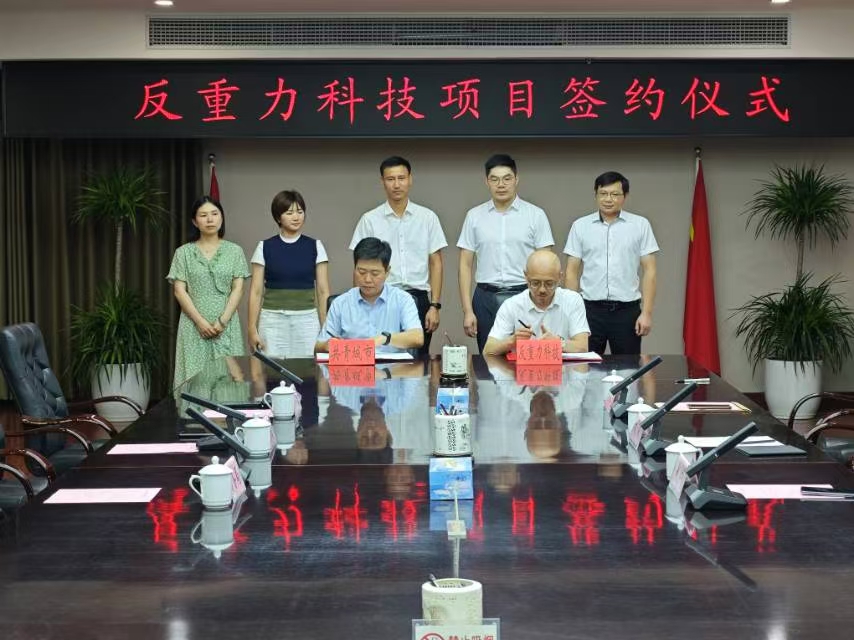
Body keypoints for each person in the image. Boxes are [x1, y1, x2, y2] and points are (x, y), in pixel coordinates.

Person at [350, 156, 447, 357]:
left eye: (401, 178)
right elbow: (360, 266)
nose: (396, 184)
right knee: (380, 355)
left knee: (418, 360)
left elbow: (436, 263)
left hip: (418, 298)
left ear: (410, 179)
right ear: (382, 182)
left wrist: (434, 306)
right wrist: (358, 306)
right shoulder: (369, 220)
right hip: (380, 299)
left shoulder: (427, 218)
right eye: (390, 179)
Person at [457, 154, 554, 353]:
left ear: (516, 179)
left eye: (507, 178)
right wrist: (468, 311)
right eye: (495, 179)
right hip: (485, 297)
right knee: (489, 357)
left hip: (525, 295)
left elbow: (547, 265)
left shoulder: (535, 215)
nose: (501, 185)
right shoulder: (474, 216)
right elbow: (465, 265)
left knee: (528, 356)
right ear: (487, 181)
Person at [563, 171, 659, 355]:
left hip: (626, 311)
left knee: (628, 368)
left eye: (615, 194)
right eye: (603, 193)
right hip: (589, 310)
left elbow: (650, 271)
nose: (608, 199)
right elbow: (571, 272)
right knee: (584, 365)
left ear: (625, 196)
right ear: (596, 194)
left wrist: (646, 313)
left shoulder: (640, 225)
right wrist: (571, 314)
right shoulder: (580, 226)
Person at [167, 196, 250, 390]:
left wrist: (222, 322)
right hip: (193, 325)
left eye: (214, 214)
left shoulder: (235, 251)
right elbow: (179, 291)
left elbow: (238, 288)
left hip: (226, 324)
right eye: (203, 215)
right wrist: (200, 322)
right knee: (194, 379)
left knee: (231, 380)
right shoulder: (183, 253)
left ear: (222, 218)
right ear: (195, 221)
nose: (210, 219)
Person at [247, 189, 330, 358]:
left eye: (300, 212)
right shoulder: (264, 247)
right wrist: (251, 328)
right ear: (278, 217)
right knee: (271, 369)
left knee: (308, 370)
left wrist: (326, 329)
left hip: (307, 320)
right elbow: (255, 292)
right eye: (289, 213)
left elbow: (323, 292)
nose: (296, 217)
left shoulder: (315, 246)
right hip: (272, 321)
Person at [315, 237, 424, 354]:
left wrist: (385, 338)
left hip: (391, 365)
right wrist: (327, 345)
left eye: (375, 273)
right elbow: (319, 345)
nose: (367, 279)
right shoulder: (341, 303)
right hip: (353, 364)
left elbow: (417, 338)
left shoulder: (402, 299)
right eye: (361, 272)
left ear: (387, 271)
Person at [483, 249, 589, 356]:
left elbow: (582, 347)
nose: (542, 290)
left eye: (549, 283)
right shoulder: (511, 305)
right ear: (526, 276)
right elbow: (488, 350)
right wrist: (511, 341)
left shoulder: (573, 300)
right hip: (522, 366)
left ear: (559, 277)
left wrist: (558, 343)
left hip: (563, 366)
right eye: (535, 283)